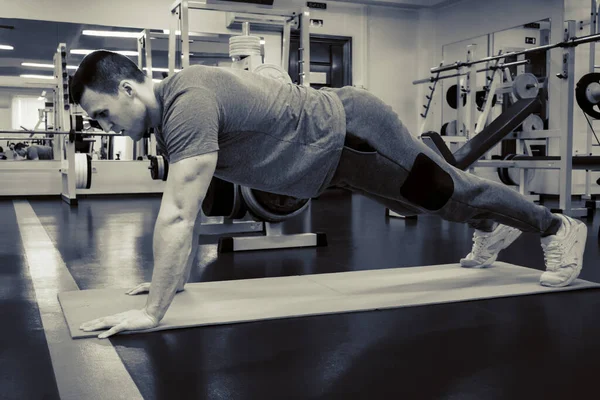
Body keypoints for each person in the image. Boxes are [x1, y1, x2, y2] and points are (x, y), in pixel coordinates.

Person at [70, 50, 587, 339]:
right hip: (328, 160)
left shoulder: (188, 103)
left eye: (103, 114)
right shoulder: (170, 121)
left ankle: (557, 227)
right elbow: (193, 204)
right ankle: (491, 228)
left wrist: (153, 310)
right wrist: (172, 283)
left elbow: (180, 216)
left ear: (129, 90)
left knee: (454, 191)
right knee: (417, 203)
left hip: (351, 132)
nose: (106, 126)